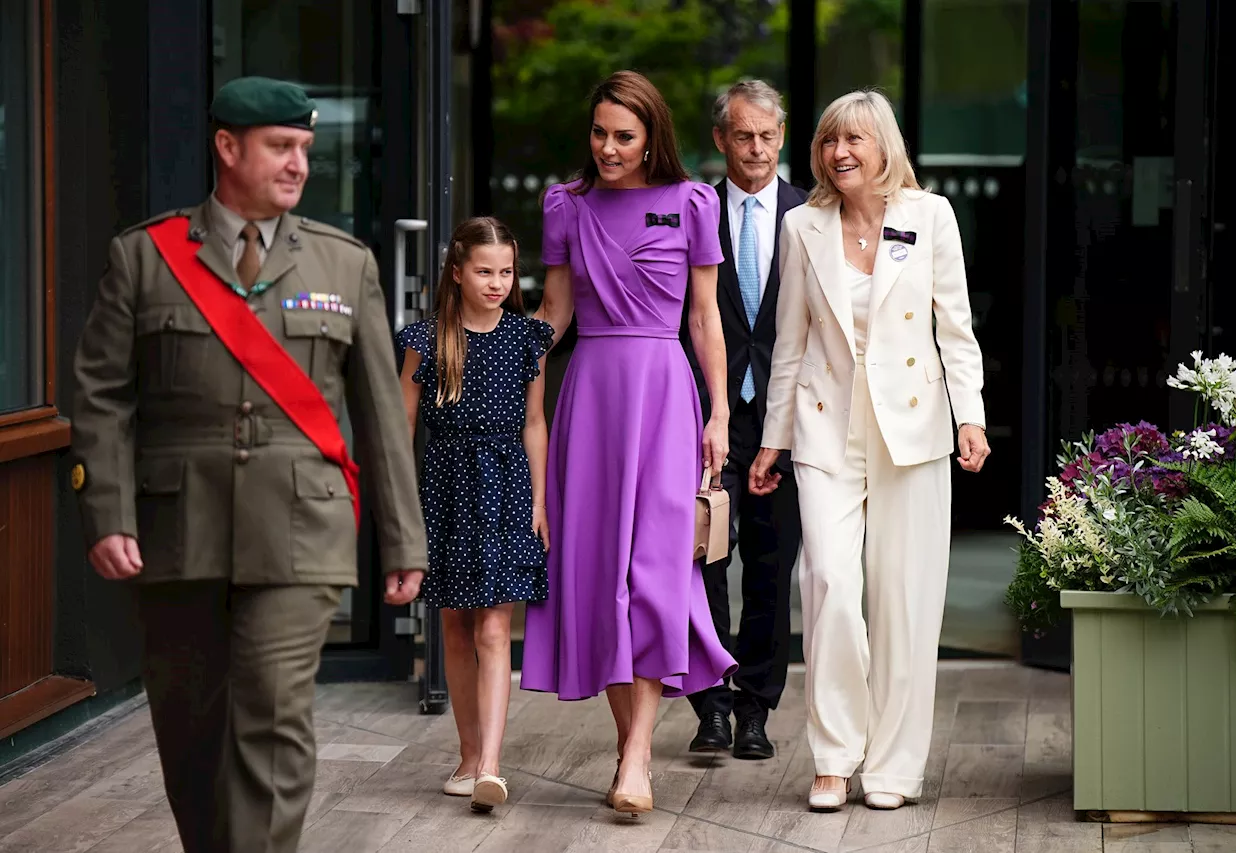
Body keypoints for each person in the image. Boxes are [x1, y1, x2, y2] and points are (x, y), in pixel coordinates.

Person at [69, 76, 428, 853]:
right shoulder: (144, 257)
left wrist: (404, 541)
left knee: (272, 712)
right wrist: (109, 511)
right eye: (280, 147)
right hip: (176, 526)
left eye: (305, 147)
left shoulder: (344, 263)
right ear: (227, 147)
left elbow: (380, 414)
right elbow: (100, 396)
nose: (299, 164)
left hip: (302, 527)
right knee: (191, 724)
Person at [748, 89, 990, 812]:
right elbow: (789, 344)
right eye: (828, 141)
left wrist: (969, 418)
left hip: (911, 431)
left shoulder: (931, 216)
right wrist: (771, 442)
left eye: (854, 139)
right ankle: (832, 754)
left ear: (884, 146)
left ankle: (892, 766)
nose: (839, 152)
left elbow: (957, 329)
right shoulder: (802, 226)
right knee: (827, 584)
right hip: (826, 431)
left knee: (904, 604)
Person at [520, 69, 737, 817]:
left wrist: (720, 415)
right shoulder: (566, 205)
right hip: (591, 398)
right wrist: (495, 365)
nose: (607, 148)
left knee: (653, 576)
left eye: (624, 136)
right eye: (599, 133)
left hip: (666, 397)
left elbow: (705, 319)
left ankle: (638, 751)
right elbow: (553, 311)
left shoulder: (692, 203)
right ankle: (632, 745)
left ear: (653, 139)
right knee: (597, 579)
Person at [395, 217, 553, 813]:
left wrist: (539, 499)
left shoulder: (526, 338)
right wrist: (401, 511)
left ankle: (491, 764)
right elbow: (399, 428)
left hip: (507, 486)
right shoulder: (426, 340)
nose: (496, 282)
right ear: (457, 272)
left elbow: (535, 422)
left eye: (506, 272)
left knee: (493, 625)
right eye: (484, 271)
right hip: (442, 489)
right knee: (454, 627)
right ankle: (467, 756)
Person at [680, 80, 806, 762]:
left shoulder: (809, 213)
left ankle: (757, 708)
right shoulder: (693, 209)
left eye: (766, 135)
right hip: (707, 414)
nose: (755, 149)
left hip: (785, 420)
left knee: (769, 565)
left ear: (781, 138)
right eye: (742, 136)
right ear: (720, 140)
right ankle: (713, 704)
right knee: (703, 559)